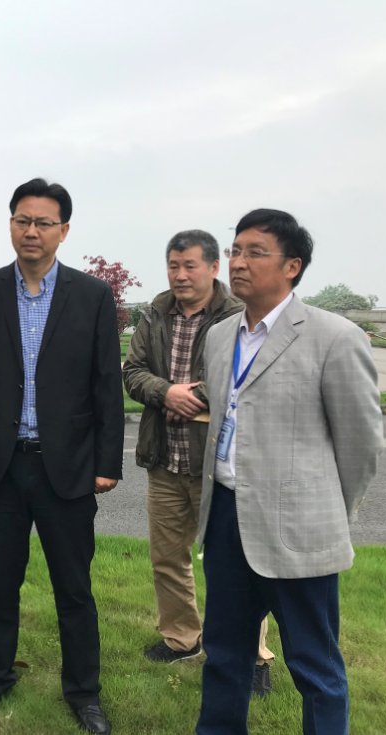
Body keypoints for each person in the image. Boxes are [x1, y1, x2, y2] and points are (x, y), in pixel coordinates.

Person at [187, 209, 382, 735]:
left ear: (292, 266)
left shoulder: (334, 337)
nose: (238, 262)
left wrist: (330, 513)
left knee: (314, 663)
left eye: (255, 252)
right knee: (225, 651)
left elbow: (361, 444)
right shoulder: (220, 336)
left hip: (301, 528)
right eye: (235, 250)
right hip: (226, 516)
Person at [0, 178, 125, 735]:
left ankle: (84, 693)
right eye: (22, 220)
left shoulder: (92, 296)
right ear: (11, 225)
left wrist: (108, 461)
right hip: (1, 466)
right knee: (0, 583)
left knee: (74, 589)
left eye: (43, 222)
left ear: (63, 231)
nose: (32, 231)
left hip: (67, 467)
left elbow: (106, 384)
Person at [123, 230, 276, 697]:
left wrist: (190, 398)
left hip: (221, 466)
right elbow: (132, 372)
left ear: (213, 267)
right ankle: (181, 638)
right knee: (168, 558)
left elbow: (245, 376)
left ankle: (253, 655)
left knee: (239, 566)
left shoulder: (239, 314)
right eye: (173, 265)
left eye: (190, 265)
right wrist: (164, 392)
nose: (180, 274)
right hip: (165, 460)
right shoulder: (154, 313)